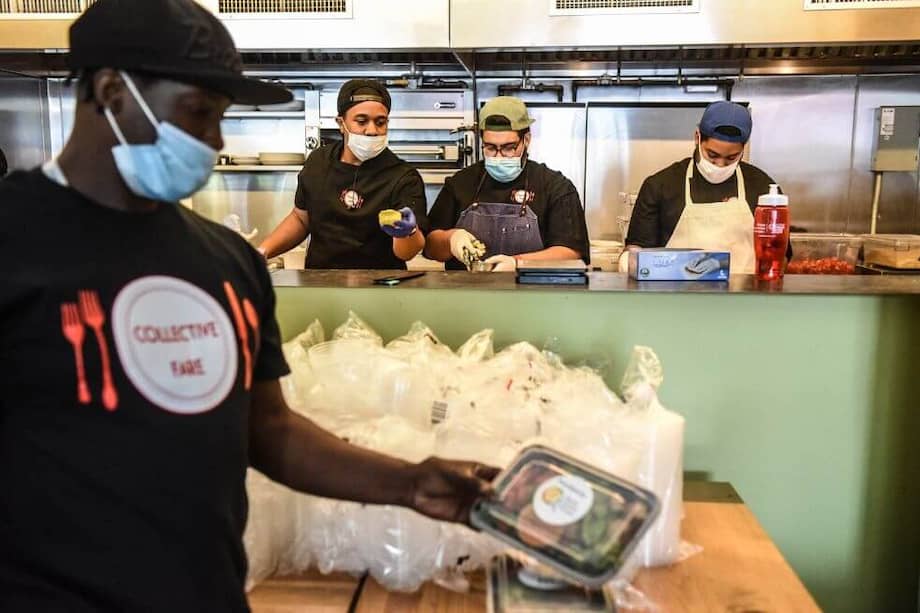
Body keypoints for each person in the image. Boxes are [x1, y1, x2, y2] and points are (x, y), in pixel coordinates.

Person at [0, 2, 495, 612]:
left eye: (221, 117)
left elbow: (269, 430)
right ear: (110, 92)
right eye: (198, 114)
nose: (214, 140)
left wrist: (412, 482)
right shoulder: (14, 240)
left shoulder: (226, 265)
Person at [257, 79, 428, 269]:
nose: (372, 131)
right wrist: (262, 252)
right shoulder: (319, 162)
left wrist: (407, 232)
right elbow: (300, 219)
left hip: (380, 287)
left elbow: (408, 252)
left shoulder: (403, 177)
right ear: (341, 123)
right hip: (322, 283)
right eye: (361, 121)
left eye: (380, 122)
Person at [424, 96, 589, 271]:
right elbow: (430, 247)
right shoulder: (460, 183)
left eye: (509, 148)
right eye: (490, 147)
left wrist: (518, 263)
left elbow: (571, 253)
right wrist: (451, 239)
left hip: (532, 294)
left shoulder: (555, 187)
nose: (498, 156)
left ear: (526, 140)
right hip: (467, 293)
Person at [624, 101, 785, 274]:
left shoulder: (762, 188)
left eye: (731, 158)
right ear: (697, 137)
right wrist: (630, 262)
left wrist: (720, 265)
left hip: (746, 297)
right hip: (674, 298)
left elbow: (779, 257)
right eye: (712, 155)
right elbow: (638, 252)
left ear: (743, 149)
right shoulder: (660, 186)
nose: (720, 165)